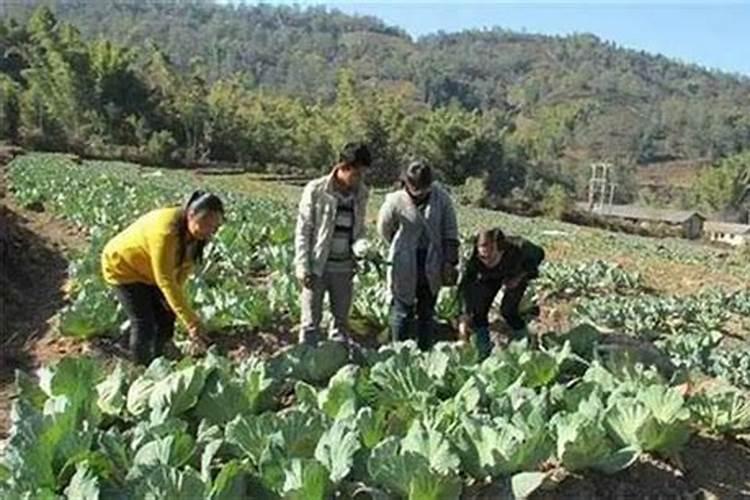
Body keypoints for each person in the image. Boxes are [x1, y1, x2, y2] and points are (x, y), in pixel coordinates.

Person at [101, 191, 224, 364]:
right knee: (144, 322)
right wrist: (192, 323)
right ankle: (140, 369)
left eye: (215, 227)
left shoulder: (197, 234)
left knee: (167, 314)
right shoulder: (166, 231)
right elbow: (165, 279)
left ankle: (160, 357)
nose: (209, 231)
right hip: (123, 267)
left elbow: (182, 270)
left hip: (148, 270)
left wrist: (175, 305)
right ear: (191, 214)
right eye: (205, 223)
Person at [294, 142, 371, 344]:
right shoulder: (316, 190)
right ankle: (307, 361)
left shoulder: (361, 193)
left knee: (341, 322)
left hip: (344, 268)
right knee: (310, 322)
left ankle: (337, 363)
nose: (359, 179)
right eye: (356, 174)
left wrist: (362, 245)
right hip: (317, 266)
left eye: (362, 174)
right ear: (343, 167)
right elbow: (303, 230)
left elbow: (359, 228)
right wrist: (303, 266)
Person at [377, 160, 459, 351]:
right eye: (415, 188)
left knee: (427, 311)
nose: (419, 192)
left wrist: (449, 261)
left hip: (431, 263)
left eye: (423, 188)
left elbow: (450, 230)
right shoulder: (395, 201)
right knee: (402, 309)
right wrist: (401, 247)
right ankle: (398, 351)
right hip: (404, 263)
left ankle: (425, 351)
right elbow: (384, 228)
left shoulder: (442, 198)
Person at [458, 227, 545, 358]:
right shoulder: (474, 259)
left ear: (502, 250)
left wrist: (519, 276)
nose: (486, 261)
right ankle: (483, 351)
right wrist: (464, 316)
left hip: (515, 272)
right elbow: (466, 286)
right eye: (483, 257)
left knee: (508, 311)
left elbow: (540, 254)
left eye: (491, 257)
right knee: (479, 311)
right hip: (491, 276)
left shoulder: (519, 247)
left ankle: (525, 342)